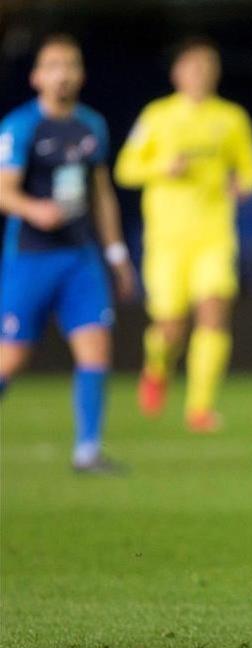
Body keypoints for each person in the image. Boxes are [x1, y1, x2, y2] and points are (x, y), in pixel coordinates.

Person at [0, 34, 137, 473]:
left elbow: (102, 195)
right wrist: (33, 208)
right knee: (13, 356)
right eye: (54, 65)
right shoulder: (21, 126)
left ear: (81, 74)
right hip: (31, 256)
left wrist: (116, 254)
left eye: (71, 64)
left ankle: (87, 450)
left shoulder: (91, 125)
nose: (63, 72)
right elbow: (4, 192)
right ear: (37, 76)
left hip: (80, 258)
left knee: (96, 348)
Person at [114, 36, 252, 432]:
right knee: (170, 325)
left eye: (207, 67)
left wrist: (243, 185)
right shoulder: (157, 116)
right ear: (177, 73)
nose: (201, 74)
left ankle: (200, 407)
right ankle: (157, 367)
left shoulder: (231, 118)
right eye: (193, 67)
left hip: (214, 234)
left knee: (214, 312)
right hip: (166, 239)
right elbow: (125, 168)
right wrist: (163, 167)